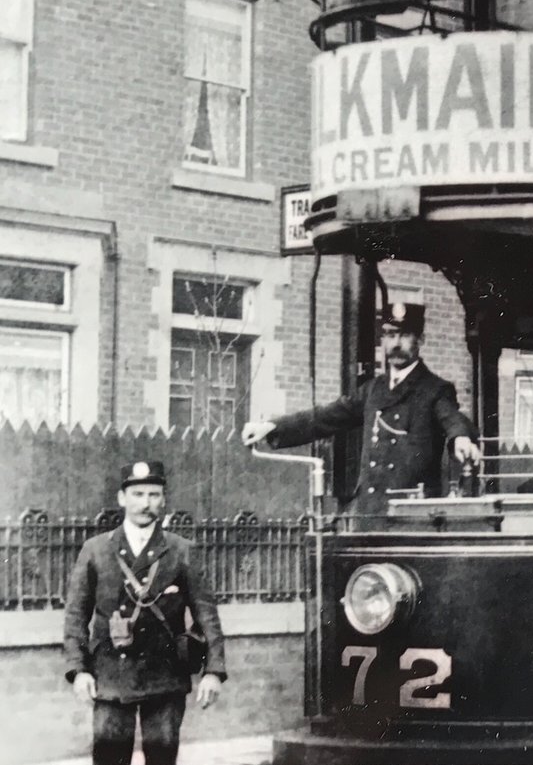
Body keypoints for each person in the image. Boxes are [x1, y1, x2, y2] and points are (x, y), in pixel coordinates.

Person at [241, 302, 482, 514]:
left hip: (412, 516)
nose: (395, 343)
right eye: (389, 335)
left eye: (404, 335)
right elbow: (326, 416)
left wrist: (460, 438)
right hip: (369, 510)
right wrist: (272, 426)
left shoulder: (435, 389)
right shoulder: (372, 390)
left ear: (420, 340)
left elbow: (451, 417)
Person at [63, 461, 227, 765]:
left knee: (162, 757)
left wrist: (214, 671)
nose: (145, 503)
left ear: (163, 500)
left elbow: (207, 615)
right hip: (111, 675)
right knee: (110, 757)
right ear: (121, 498)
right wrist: (79, 669)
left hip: (164, 675)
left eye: (154, 495)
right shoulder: (96, 550)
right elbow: (76, 615)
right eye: (137, 494)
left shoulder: (181, 550)